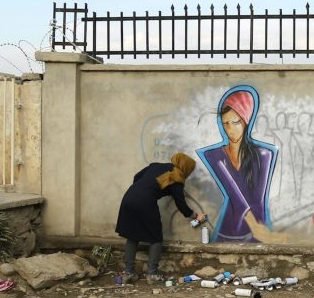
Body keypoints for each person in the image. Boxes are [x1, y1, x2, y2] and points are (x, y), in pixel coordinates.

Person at [197, 86, 281, 243]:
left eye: (235, 122)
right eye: (225, 123)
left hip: (258, 231)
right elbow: (236, 197)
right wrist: (257, 229)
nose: (230, 130)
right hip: (229, 231)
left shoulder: (263, 155)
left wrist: (260, 231)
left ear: (246, 121)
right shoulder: (214, 156)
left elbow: (258, 200)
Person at [115, 152, 206, 283]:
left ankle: (128, 272)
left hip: (129, 197)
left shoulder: (155, 166)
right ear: (186, 169)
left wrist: (143, 190)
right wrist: (195, 216)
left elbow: (137, 177)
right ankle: (152, 274)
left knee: (132, 236)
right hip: (145, 203)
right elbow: (182, 205)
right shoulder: (177, 180)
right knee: (156, 237)